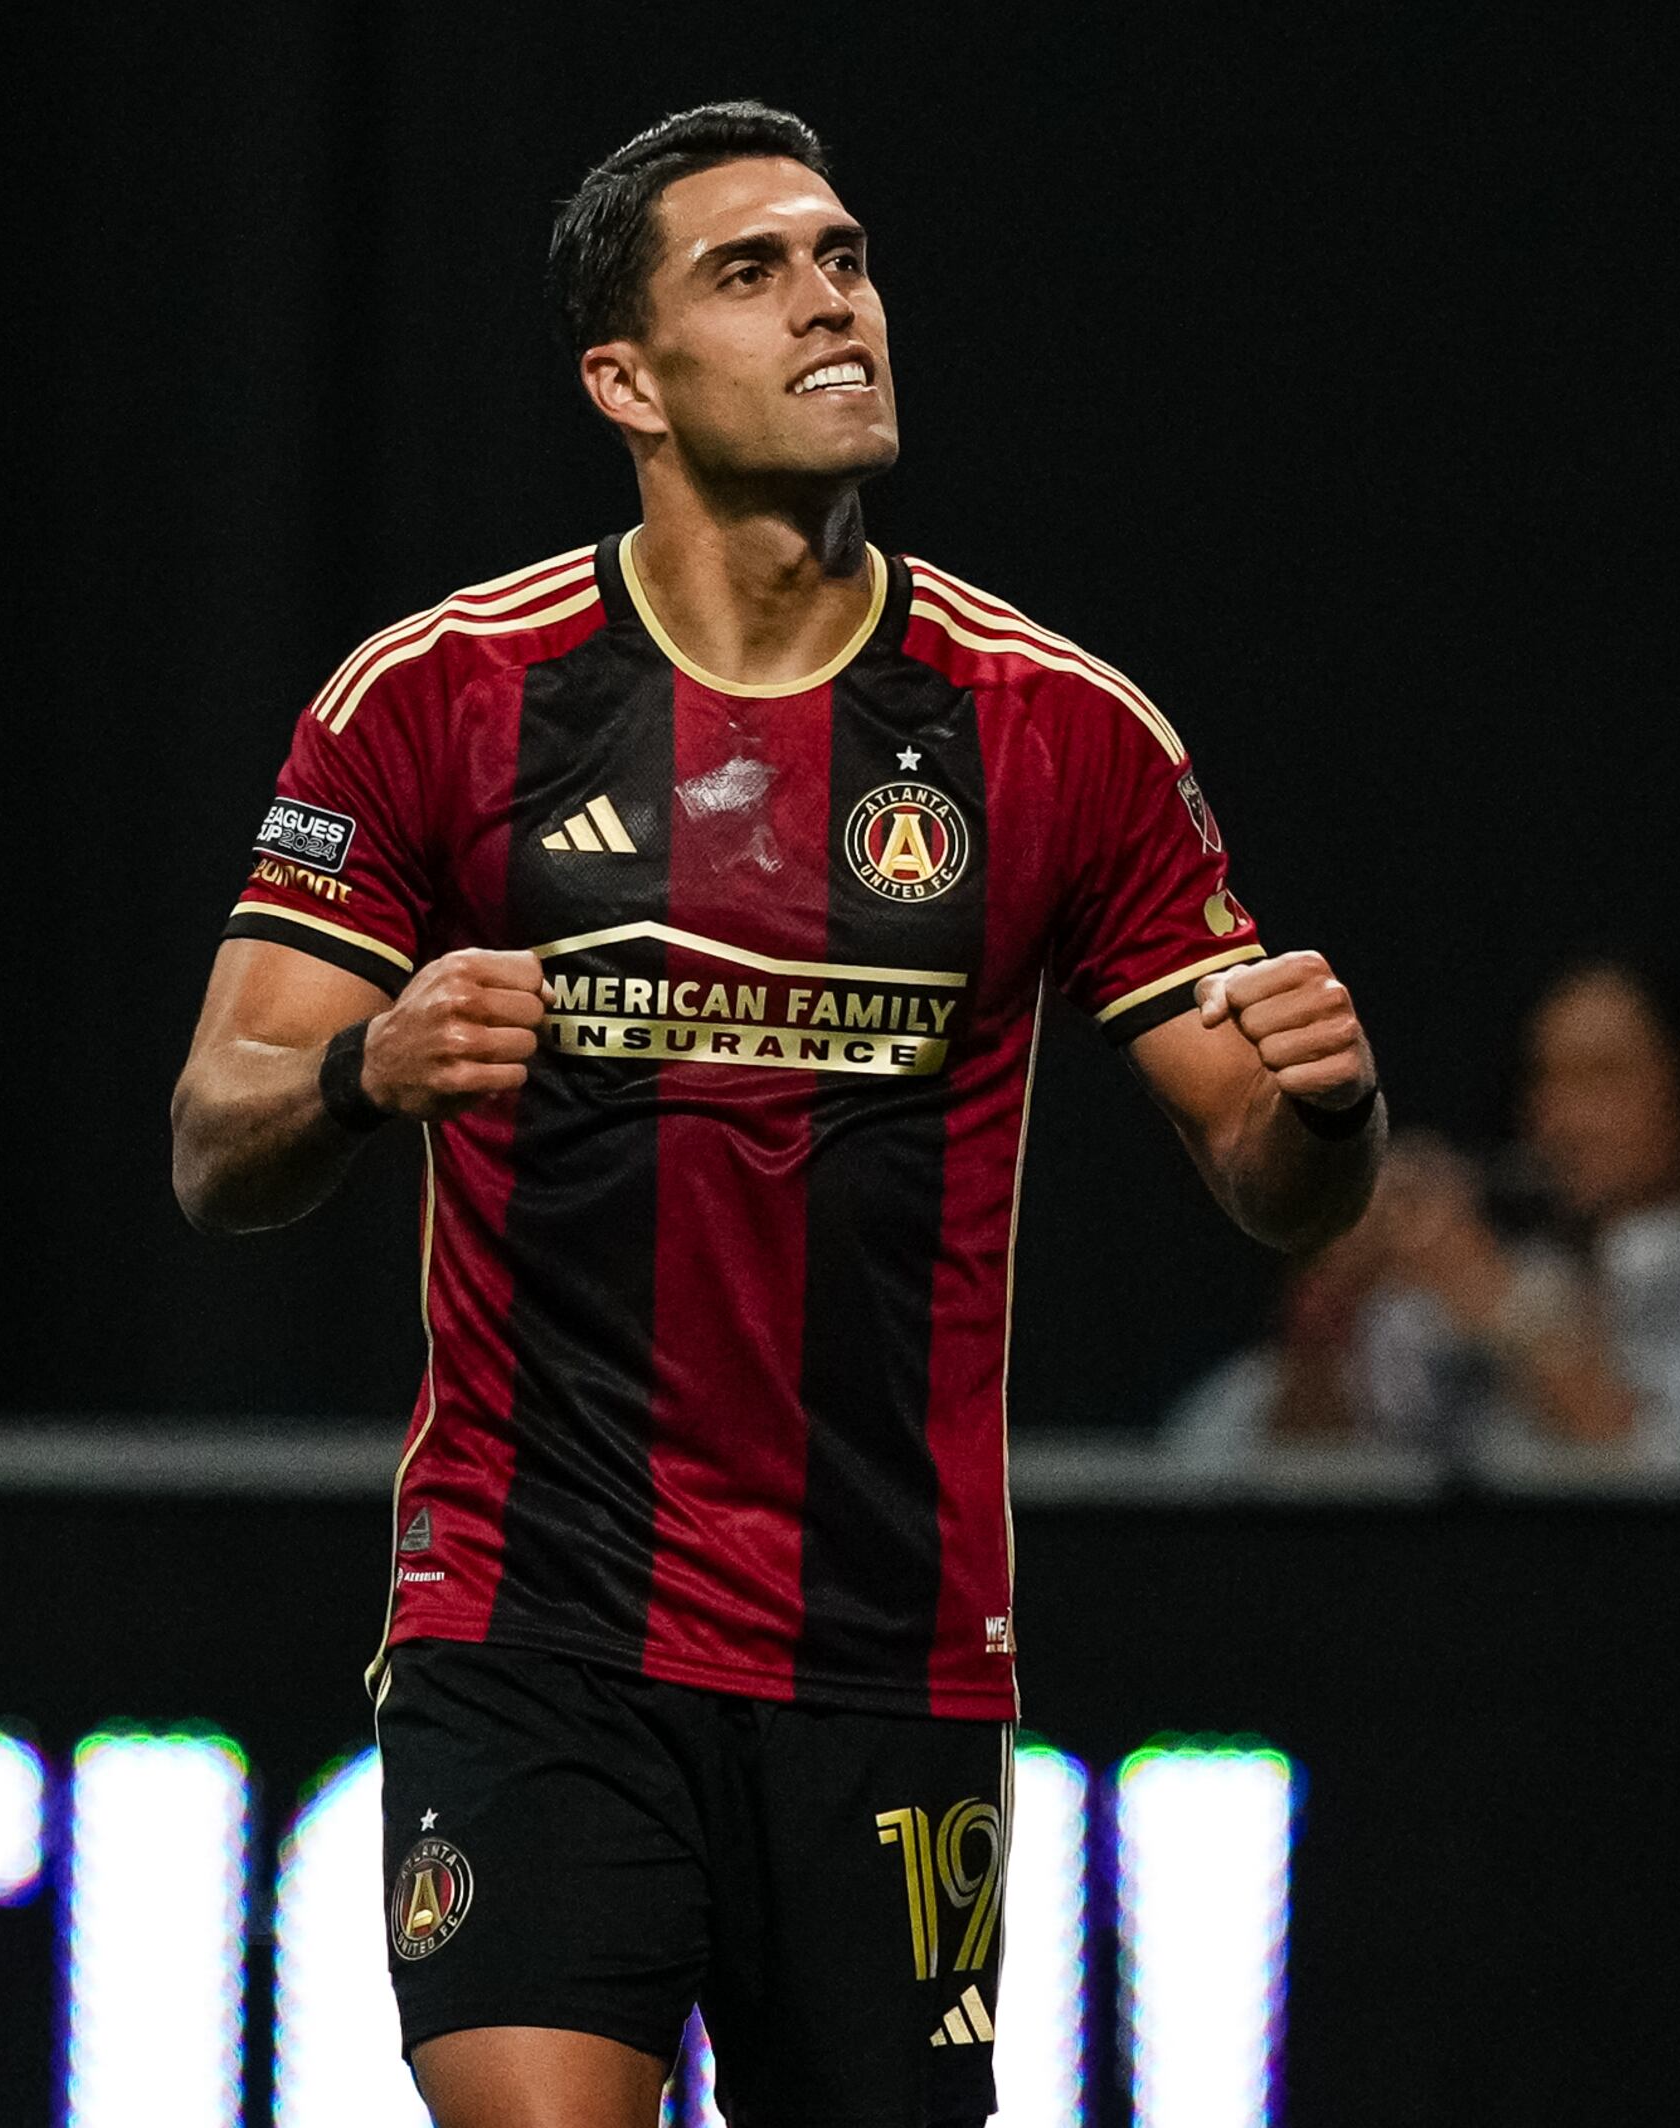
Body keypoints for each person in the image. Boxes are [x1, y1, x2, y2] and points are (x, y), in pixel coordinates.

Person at [167, 104, 1382, 2128]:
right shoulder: (436, 702)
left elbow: (1273, 1186)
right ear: (623, 382)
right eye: (753, 272)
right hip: (533, 1623)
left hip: (886, 1665)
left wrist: (1327, 1108)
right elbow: (217, 1140)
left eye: (844, 258)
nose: (831, 300)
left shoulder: (1059, 731)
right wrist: (365, 1070)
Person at [1168, 962, 1680, 1466]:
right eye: (1544, 1079)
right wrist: (1329, 1312)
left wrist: (1510, 1311)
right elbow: (1266, 1484)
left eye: (1602, 1077)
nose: (1560, 1118)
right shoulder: (1452, 1304)